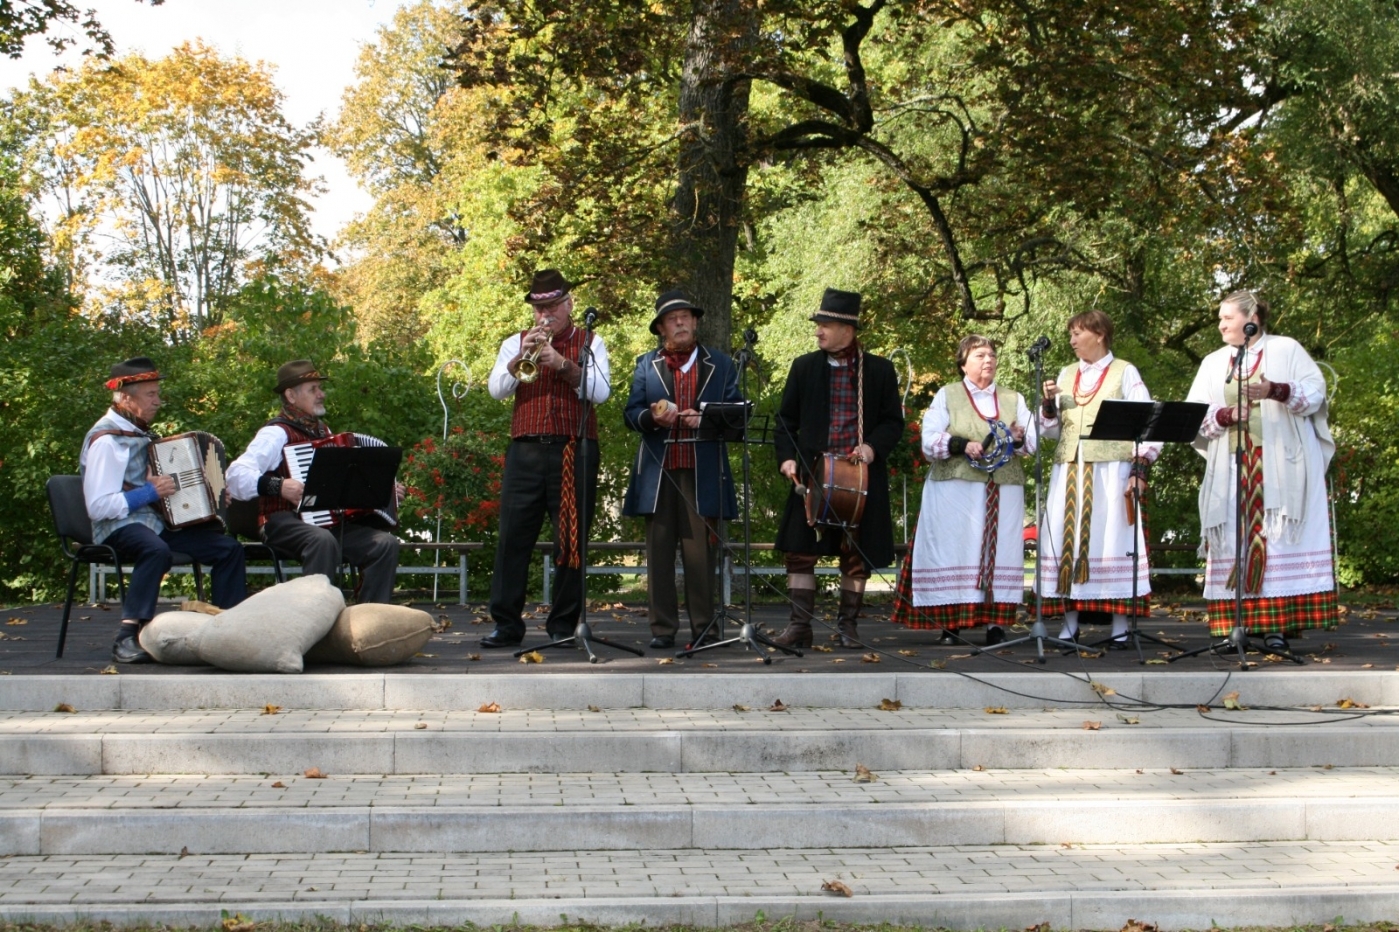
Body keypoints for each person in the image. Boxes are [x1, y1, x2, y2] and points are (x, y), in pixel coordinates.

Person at [1186, 290, 1337, 653]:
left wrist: (1275, 389)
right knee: (1233, 540)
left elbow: (1315, 394)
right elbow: (1193, 414)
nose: (1221, 324)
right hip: (1232, 463)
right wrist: (1223, 415)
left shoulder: (1286, 350)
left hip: (1280, 464)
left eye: (1227, 318)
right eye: (1220, 319)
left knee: (1278, 537)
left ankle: (1276, 629)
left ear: (1251, 316)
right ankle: (1235, 625)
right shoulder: (1214, 362)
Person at [80, 356, 246, 663]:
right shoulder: (107, 441)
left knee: (228, 549)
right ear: (126, 398)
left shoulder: (141, 435)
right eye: (151, 395)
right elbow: (98, 506)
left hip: (154, 525)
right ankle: (126, 637)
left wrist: (212, 497)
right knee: (156, 550)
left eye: (158, 393)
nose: (158, 401)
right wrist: (148, 492)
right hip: (116, 527)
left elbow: (169, 493)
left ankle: (227, 630)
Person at [479, 269, 612, 648]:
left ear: (568, 305)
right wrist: (521, 358)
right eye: (539, 309)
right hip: (525, 450)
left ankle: (562, 626)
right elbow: (495, 391)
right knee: (512, 539)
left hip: (575, 448)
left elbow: (601, 393)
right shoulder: (514, 342)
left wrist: (562, 364)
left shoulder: (591, 341)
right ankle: (506, 625)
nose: (544, 316)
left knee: (570, 540)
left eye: (552, 307)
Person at [771, 288, 903, 650]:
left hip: (860, 475)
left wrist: (872, 447)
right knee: (799, 551)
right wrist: (786, 457)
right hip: (813, 474)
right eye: (818, 325)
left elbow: (893, 422)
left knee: (855, 557)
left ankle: (848, 627)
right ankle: (800, 627)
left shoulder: (878, 370)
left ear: (848, 328)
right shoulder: (804, 367)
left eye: (825, 325)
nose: (818, 332)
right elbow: (785, 421)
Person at [891, 335, 1035, 645]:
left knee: (999, 550)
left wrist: (1018, 437)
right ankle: (951, 624)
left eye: (992, 355)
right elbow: (929, 438)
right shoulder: (948, 395)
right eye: (980, 355)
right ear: (963, 363)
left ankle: (995, 625)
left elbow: (1032, 443)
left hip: (1002, 490)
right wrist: (960, 444)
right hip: (954, 490)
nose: (988, 360)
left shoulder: (1013, 398)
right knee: (954, 547)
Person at [622, 289, 742, 649]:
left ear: (696, 322)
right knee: (658, 554)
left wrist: (703, 419)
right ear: (661, 328)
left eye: (686, 317)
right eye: (673, 319)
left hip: (702, 470)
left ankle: (706, 628)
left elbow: (737, 415)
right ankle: (662, 630)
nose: (681, 323)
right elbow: (631, 414)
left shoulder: (720, 363)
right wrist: (654, 418)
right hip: (658, 473)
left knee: (700, 556)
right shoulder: (646, 364)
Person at [226, 360, 402, 603]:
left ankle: (368, 621)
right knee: (322, 540)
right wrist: (278, 486)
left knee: (384, 544)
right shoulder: (276, 433)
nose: (321, 394)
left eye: (320, 388)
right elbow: (235, 475)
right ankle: (313, 620)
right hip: (281, 521)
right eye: (313, 389)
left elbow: (344, 486)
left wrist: (386, 490)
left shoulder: (324, 432)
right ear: (291, 395)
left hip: (326, 523)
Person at [1037, 310, 1159, 645]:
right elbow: (1049, 430)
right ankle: (1070, 621)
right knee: (1068, 540)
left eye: (1078, 333)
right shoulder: (1066, 373)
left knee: (1113, 540)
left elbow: (1147, 420)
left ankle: (1120, 624)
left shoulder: (1124, 372)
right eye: (1071, 334)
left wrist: (1139, 468)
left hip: (1111, 469)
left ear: (1100, 334)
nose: (1072, 340)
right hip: (1070, 468)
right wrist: (1048, 404)